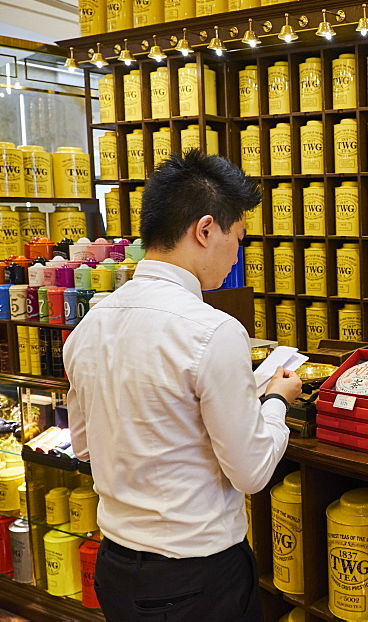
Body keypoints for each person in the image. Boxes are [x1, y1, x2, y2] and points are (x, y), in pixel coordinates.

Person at [66, 150, 302, 620]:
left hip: (115, 567)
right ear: (206, 228)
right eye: (238, 239)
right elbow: (251, 473)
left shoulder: (92, 322)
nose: (237, 254)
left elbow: (85, 446)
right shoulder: (212, 330)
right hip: (196, 578)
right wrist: (275, 399)